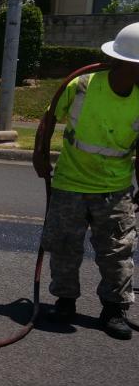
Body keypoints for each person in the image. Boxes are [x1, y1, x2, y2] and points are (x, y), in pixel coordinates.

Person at [34, 21, 139, 341]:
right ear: (122, 63)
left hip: (115, 188)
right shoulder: (81, 85)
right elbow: (50, 116)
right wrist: (39, 153)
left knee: (117, 251)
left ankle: (114, 309)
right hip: (70, 182)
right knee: (64, 246)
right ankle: (65, 301)